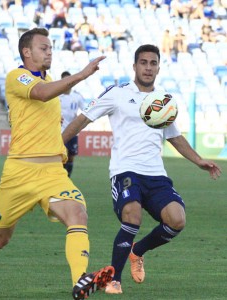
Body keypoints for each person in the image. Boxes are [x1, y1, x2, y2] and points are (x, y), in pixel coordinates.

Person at [62, 44, 222, 294]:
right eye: (143, 62)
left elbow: (174, 137)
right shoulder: (116, 93)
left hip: (156, 174)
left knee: (177, 220)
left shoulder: (163, 100)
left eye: (153, 63)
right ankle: (114, 279)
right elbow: (84, 118)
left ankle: (137, 251)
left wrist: (198, 160)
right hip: (125, 171)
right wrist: (56, 144)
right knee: (132, 215)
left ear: (158, 67)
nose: (148, 68)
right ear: (134, 66)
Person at [0, 27, 114, 300]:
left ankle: (80, 282)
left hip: (52, 172)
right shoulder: (17, 76)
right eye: (43, 47)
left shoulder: (48, 80)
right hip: (19, 172)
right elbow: (40, 94)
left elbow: (40, 106)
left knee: (78, 214)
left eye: (50, 47)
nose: (49, 51)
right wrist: (82, 75)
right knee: (0, 239)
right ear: (26, 52)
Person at [60, 71, 86, 177]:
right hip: (60, 131)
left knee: (71, 156)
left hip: (73, 131)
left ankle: (68, 178)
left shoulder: (77, 97)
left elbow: (85, 110)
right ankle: (61, 178)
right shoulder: (56, 96)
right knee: (62, 155)